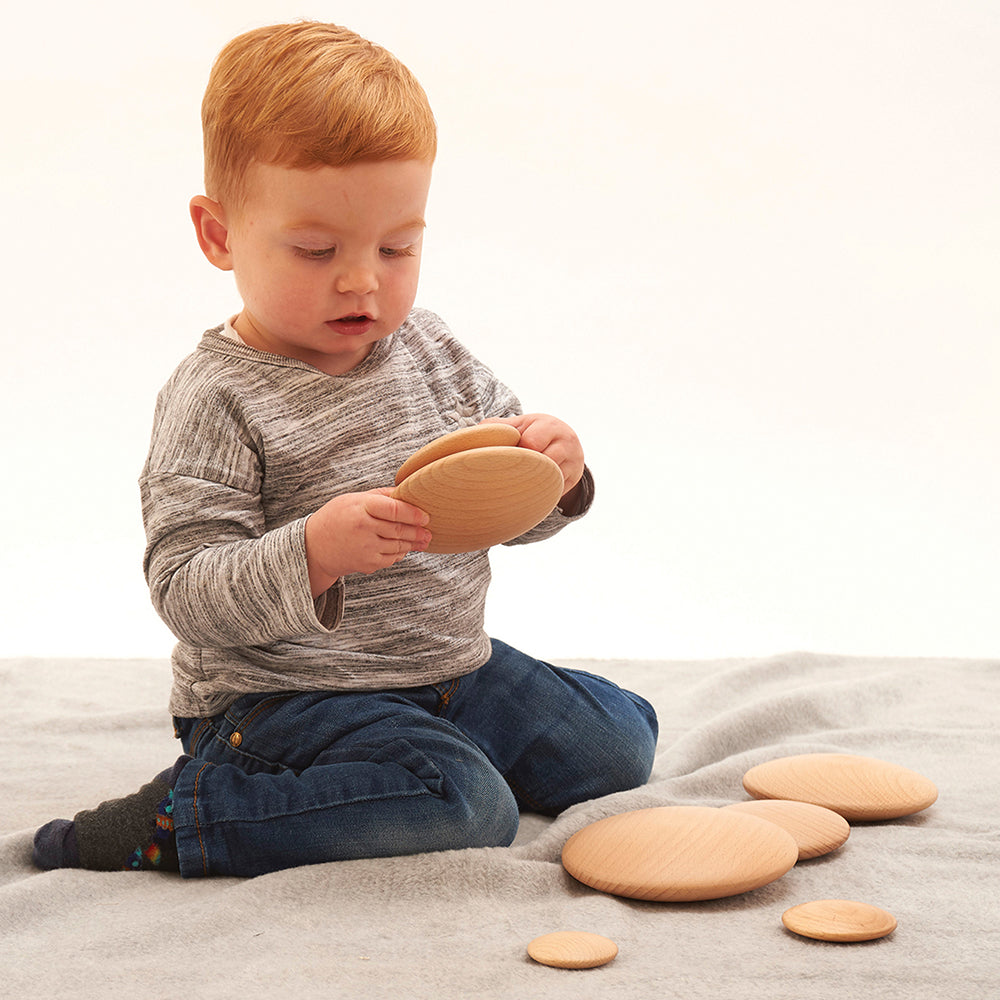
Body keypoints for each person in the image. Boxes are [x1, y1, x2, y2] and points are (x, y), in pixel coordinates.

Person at [32, 21, 657, 878]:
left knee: (620, 744)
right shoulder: (217, 396)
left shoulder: (432, 350)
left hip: (445, 670)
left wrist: (557, 473)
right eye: (317, 250)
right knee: (471, 807)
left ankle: (412, 757)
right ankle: (191, 815)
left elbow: (505, 506)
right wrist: (313, 554)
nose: (362, 279)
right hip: (282, 699)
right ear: (218, 235)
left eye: (397, 246)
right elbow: (184, 588)